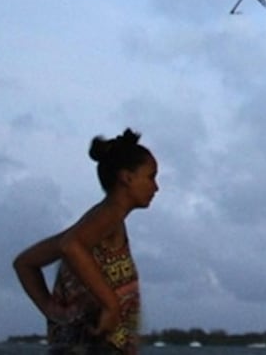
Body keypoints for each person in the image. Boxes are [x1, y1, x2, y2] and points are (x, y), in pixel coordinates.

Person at [13, 129, 159, 355]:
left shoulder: (97, 224)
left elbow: (25, 263)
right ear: (127, 178)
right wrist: (111, 305)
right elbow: (70, 246)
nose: (156, 187)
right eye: (151, 176)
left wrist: (53, 311)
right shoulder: (107, 216)